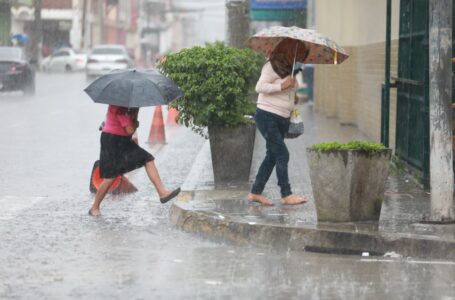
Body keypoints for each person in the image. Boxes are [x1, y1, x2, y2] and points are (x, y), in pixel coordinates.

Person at [88, 105, 180, 216]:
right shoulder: (119, 106)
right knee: (110, 177)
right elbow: (130, 130)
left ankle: (162, 193)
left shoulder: (129, 106)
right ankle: (94, 208)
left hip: (123, 140)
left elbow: (129, 132)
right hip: (111, 141)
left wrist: (134, 115)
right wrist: (135, 123)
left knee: (148, 159)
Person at [248, 42, 308, 206]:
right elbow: (259, 87)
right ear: (289, 50)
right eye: (300, 54)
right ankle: (286, 194)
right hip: (267, 116)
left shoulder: (289, 69)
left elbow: (285, 91)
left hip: (283, 117)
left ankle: (255, 192)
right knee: (282, 154)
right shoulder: (271, 65)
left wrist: (292, 95)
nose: (301, 58)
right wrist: (282, 85)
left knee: (272, 156)